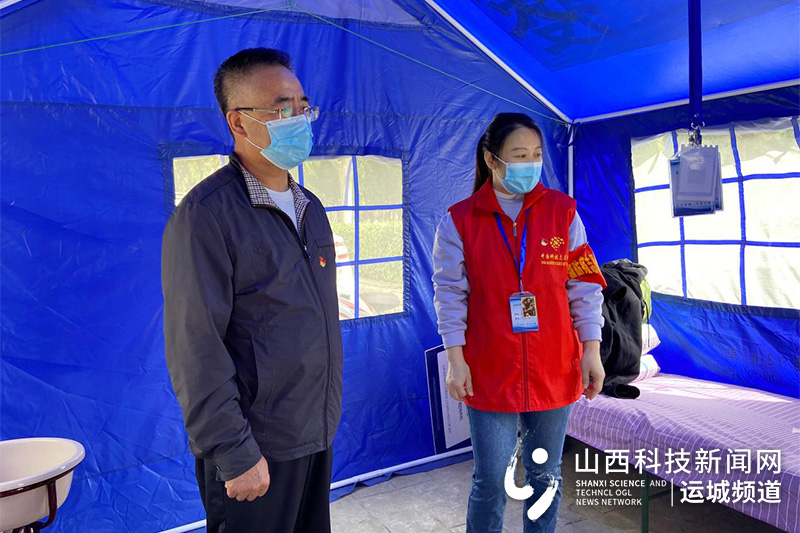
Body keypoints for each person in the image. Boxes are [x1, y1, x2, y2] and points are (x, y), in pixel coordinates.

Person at [162, 48, 342, 533]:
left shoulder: (310, 208)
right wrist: (234, 452)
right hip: (254, 450)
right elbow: (194, 348)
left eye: (303, 106)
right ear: (238, 122)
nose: (299, 119)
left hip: (312, 432)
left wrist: (325, 419)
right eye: (282, 109)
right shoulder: (206, 216)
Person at [432, 112, 607, 533]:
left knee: (545, 476)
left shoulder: (563, 213)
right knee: (490, 480)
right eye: (519, 155)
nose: (530, 163)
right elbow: (450, 295)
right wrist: (456, 360)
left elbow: (584, 286)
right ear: (491, 160)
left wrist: (592, 350)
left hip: (553, 366)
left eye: (536, 154)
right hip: (489, 368)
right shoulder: (459, 220)